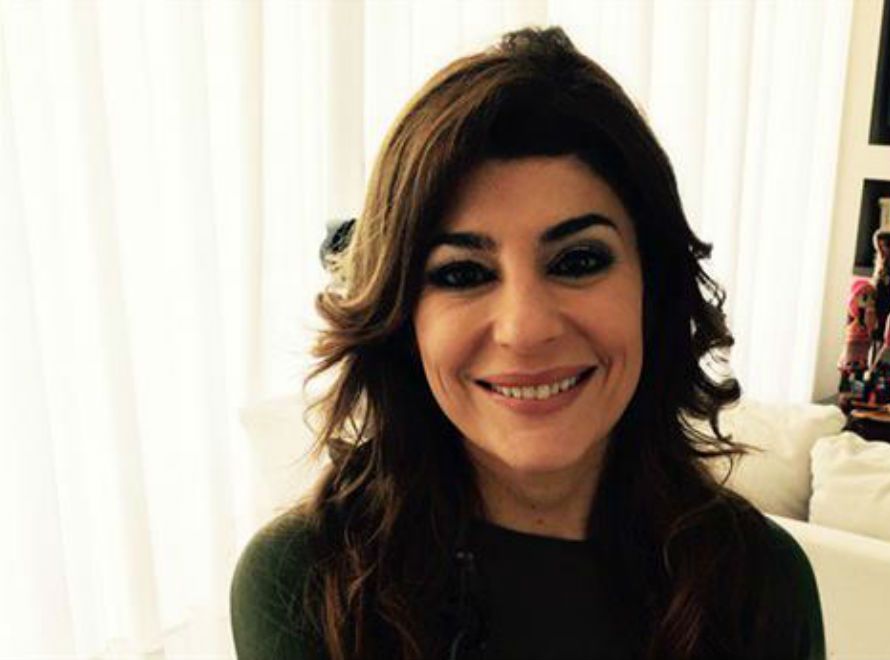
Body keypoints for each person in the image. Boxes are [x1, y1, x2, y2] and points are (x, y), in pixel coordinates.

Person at [230, 26, 824, 660]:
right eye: (463, 274)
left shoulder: (760, 581)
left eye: (578, 261)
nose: (525, 328)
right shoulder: (305, 581)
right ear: (403, 321)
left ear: (653, 291)